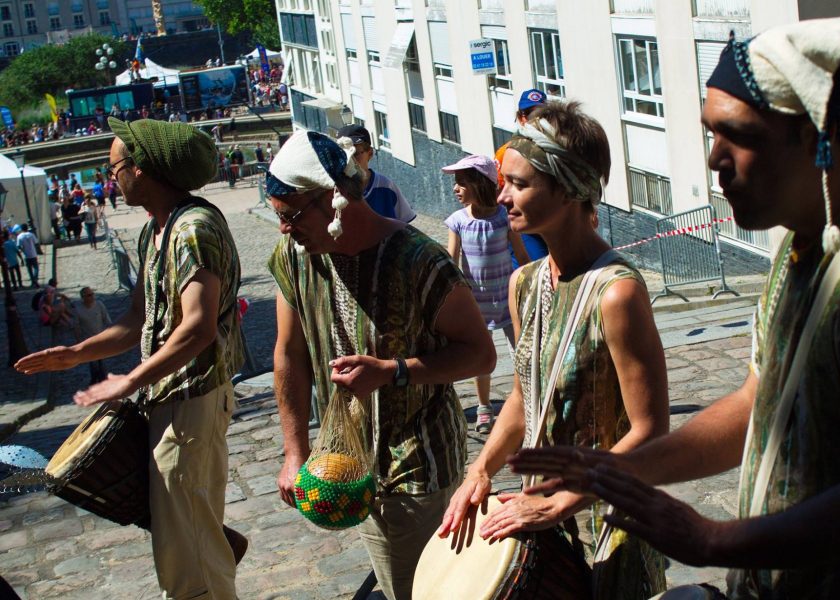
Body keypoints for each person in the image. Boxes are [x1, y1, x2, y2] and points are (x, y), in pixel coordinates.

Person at [510, 18, 840, 600]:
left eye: (735, 135)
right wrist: (616, 473)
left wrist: (712, 539)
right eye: (711, 134)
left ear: (814, 135)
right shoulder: (799, 246)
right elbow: (756, 402)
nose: (714, 160)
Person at [438, 101, 671, 600]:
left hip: (610, 521)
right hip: (545, 517)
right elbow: (525, 399)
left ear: (567, 189)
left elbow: (651, 430)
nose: (502, 196)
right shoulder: (525, 284)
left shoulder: (617, 293)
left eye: (518, 184)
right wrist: (479, 472)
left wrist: (564, 500)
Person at [15, 117, 248, 599]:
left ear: (141, 169)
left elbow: (197, 328)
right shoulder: (155, 232)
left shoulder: (193, 229)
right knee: (180, 535)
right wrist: (77, 353)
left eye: (114, 166)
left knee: (191, 551)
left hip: (192, 402)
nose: (109, 177)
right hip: (168, 401)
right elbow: (138, 319)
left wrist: (127, 381)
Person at [266, 130, 497, 600]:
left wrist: (393, 371)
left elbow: (480, 353)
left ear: (333, 201)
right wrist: (295, 450)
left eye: (291, 217)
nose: (284, 230)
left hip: (419, 462)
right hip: (349, 463)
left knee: (423, 590)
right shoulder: (295, 258)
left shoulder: (420, 261)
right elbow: (289, 354)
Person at [441, 154, 529, 433]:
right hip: (476, 305)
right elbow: (451, 262)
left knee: (522, 352)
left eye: (461, 183)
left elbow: (522, 255)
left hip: (507, 301)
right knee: (482, 358)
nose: (455, 189)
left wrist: (531, 284)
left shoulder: (503, 218)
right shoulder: (458, 221)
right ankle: (483, 407)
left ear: (480, 184)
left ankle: (526, 399)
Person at [496, 89, 550, 268]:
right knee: (534, 271)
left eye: (540, 114)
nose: (534, 120)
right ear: (521, 117)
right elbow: (499, 194)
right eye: (529, 114)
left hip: (553, 223)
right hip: (527, 228)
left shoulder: (557, 151)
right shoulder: (507, 153)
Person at [336, 124, 417, 223]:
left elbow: (405, 223)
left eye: (355, 154)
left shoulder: (386, 186)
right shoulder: (335, 192)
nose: (350, 160)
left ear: (370, 153)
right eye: (344, 154)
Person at [74, 287, 112, 384]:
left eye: (92, 294)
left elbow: (106, 319)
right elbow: (77, 327)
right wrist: (79, 341)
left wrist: (111, 332)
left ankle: (102, 381)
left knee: (102, 362)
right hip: (88, 341)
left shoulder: (99, 305)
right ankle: (96, 380)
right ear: (83, 297)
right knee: (93, 363)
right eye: (89, 295)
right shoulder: (78, 310)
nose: (92, 297)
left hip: (101, 339)